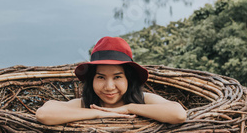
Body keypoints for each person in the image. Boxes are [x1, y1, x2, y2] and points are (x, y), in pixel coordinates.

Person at [36, 36, 187, 125]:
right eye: (101, 77)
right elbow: (44, 114)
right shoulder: (86, 104)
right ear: (92, 79)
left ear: (129, 79)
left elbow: (178, 114)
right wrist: (99, 114)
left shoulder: (144, 100)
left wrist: (129, 109)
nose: (109, 87)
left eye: (117, 77)